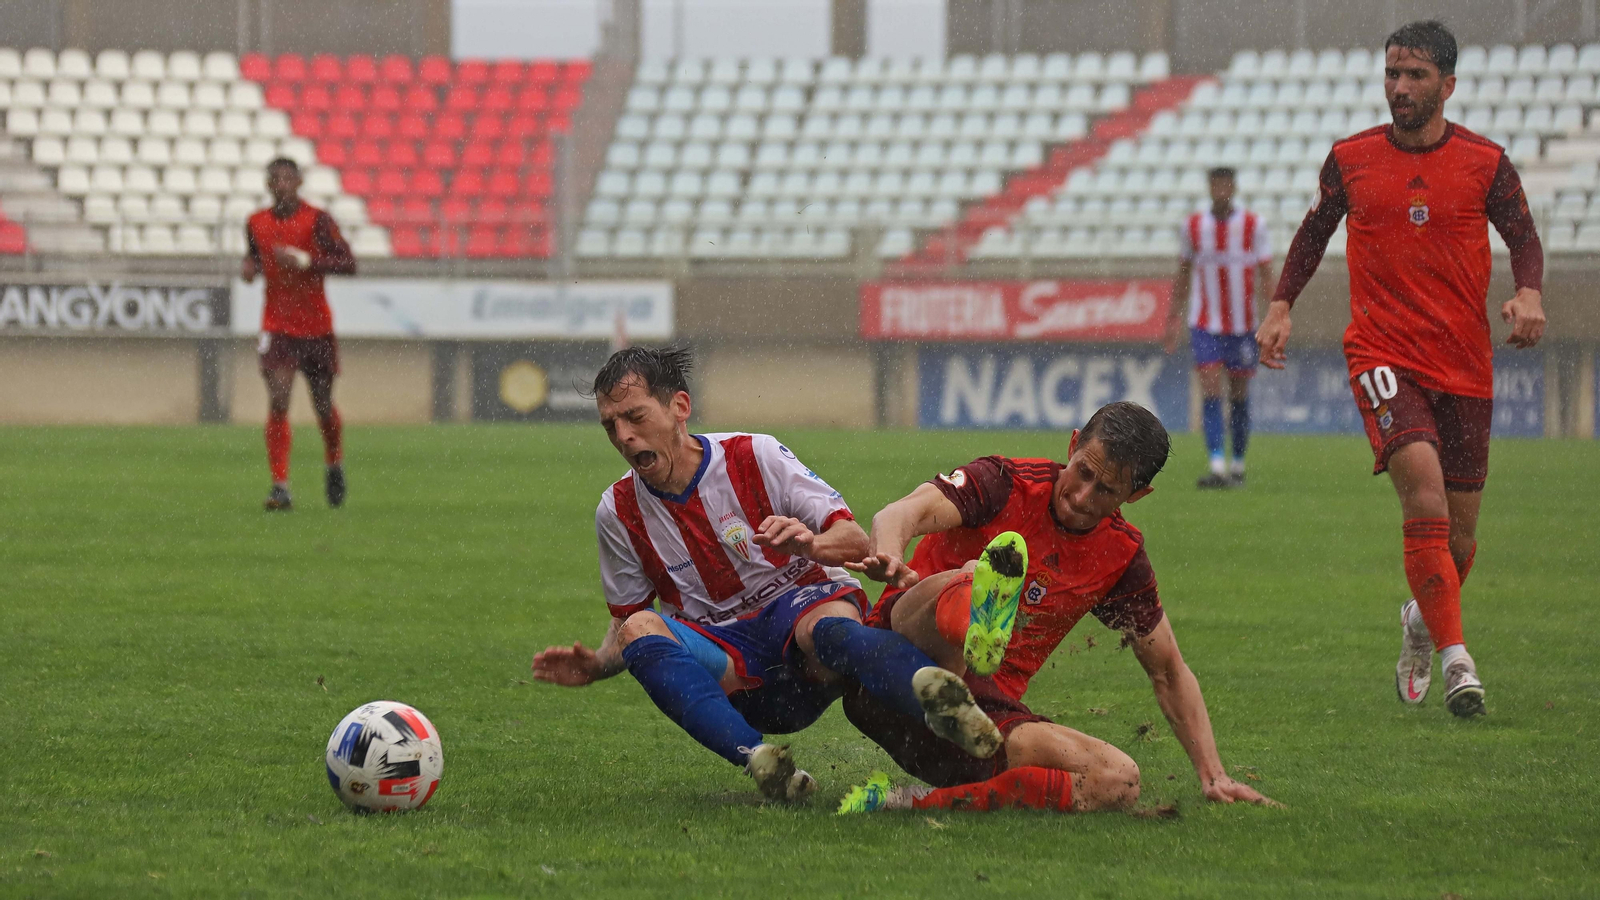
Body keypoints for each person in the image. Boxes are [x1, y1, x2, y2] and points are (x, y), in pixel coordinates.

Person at [531, 347, 1002, 804]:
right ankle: (762, 760)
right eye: (611, 425)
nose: (624, 436)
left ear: (680, 407)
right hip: (736, 671)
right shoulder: (617, 511)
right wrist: (598, 664)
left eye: (635, 417)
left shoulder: (754, 455)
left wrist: (811, 544)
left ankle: (942, 702)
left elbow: (856, 539)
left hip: (807, 635)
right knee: (638, 626)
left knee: (821, 629)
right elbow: (629, 623)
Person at [1257, 20, 1546, 718]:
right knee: (1424, 494)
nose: (1400, 88)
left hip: (1465, 363)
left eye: (1415, 76)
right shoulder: (1351, 158)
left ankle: (1420, 623)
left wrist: (1530, 291)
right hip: (1382, 354)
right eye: (1392, 74)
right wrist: (1280, 304)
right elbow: (1313, 231)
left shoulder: (1486, 161)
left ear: (1448, 84)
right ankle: (1457, 663)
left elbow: (1523, 236)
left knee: (1461, 535)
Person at [837, 401, 1275, 814]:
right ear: (1072, 446)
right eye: (1083, 472)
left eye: (1106, 490)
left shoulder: (1119, 556)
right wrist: (891, 554)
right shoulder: (1004, 483)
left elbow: (1168, 670)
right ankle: (973, 604)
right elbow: (903, 512)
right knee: (970, 577)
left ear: (1136, 495)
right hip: (889, 669)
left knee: (1118, 780)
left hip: (977, 724)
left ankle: (905, 801)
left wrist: (1213, 775)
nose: (1083, 497)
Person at [241, 157, 357, 511]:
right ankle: (280, 486)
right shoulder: (255, 222)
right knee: (278, 397)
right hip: (277, 325)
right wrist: (250, 267)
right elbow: (255, 257)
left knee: (322, 403)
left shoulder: (318, 221)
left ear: (299, 182)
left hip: (315, 327)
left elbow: (349, 264)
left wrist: (308, 261)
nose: (281, 184)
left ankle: (334, 462)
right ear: (267, 184)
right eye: (275, 178)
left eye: (288, 178)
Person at [1165, 167, 1274, 488]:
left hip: (1243, 326)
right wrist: (1173, 318)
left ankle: (1237, 464)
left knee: (1239, 395)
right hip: (1205, 324)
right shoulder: (1194, 226)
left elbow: (1267, 273)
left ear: (1234, 187)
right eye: (1216, 183)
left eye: (1226, 183)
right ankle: (1216, 465)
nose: (1221, 189)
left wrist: (1274, 314)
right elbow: (1183, 272)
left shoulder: (1254, 225)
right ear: (1210, 187)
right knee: (1211, 390)